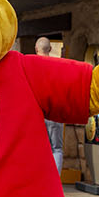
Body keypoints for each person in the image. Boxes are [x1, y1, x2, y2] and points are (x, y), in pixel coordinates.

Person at [35, 37, 64, 172]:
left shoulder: (31, 65)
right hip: (55, 113)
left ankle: (43, 182)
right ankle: (56, 183)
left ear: (36, 50)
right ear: (51, 49)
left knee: (40, 149)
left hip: (39, 113)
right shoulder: (58, 66)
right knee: (56, 149)